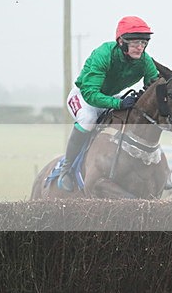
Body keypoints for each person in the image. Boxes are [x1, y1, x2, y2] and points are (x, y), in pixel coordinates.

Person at [57, 16, 160, 192]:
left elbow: (154, 87)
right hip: (84, 96)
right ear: (121, 42)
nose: (140, 47)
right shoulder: (103, 54)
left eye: (143, 43)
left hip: (111, 96)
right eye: (135, 43)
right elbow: (91, 94)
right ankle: (66, 170)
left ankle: (153, 170)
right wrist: (119, 103)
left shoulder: (145, 60)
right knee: (88, 120)